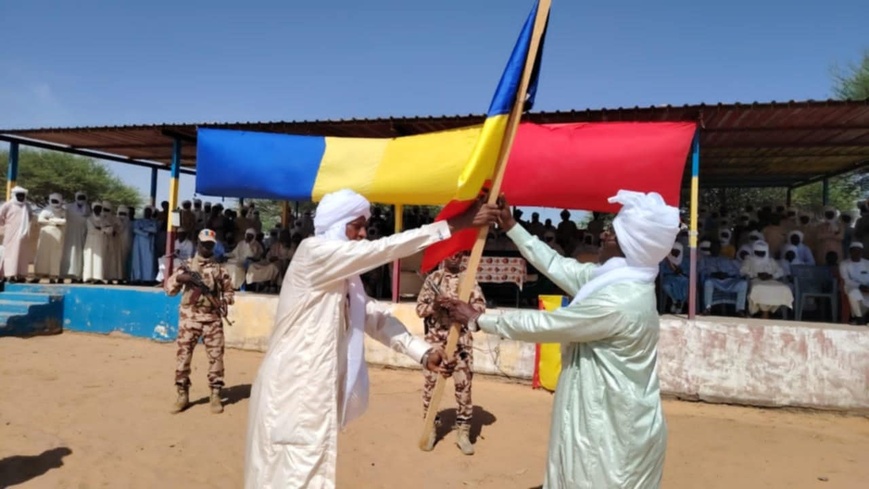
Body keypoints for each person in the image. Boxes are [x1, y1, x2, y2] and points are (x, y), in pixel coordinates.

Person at [244, 189, 499, 489]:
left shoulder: (344, 278)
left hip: (315, 390)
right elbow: (384, 249)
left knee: (310, 471)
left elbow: (373, 317)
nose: (364, 233)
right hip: (292, 389)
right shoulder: (314, 253)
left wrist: (423, 352)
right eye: (357, 225)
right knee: (288, 475)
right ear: (338, 224)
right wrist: (454, 225)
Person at [441, 190, 679, 489]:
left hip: (611, 425)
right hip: (600, 413)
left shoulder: (621, 300)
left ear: (629, 246)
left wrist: (478, 319)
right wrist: (512, 226)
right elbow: (557, 265)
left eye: (614, 233)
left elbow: (547, 324)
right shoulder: (614, 280)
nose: (604, 234)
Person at [415, 251, 486, 455]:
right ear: (444, 256)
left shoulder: (469, 279)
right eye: (452, 254)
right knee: (430, 385)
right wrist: (435, 306)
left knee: (464, 388)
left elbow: (481, 308)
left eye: (460, 254)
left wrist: (463, 307)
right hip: (436, 343)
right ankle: (430, 428)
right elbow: (419, 309)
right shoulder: (433, 279)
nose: (456, 257)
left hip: (461, 342)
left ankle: (463, 431)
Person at [165, 228, 234, 414]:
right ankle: (182, 394)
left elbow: (229, 292)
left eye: (210, 244)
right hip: (190, 318)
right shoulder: (186, 265)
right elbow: (169, 290)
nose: (207, 247)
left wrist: (223, 301)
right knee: (183, 357)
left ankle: (215, 394)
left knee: (216, 357)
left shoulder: (219, 269)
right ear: (198, 243)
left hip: (212, 319)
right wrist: (181, 278)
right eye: (204, 244)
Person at [740, 240, 794, 319]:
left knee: (784, 288)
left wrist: (772, 275)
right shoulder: (749, 260)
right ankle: (764, 312)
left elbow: (780, 271)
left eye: (762, 252)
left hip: (772, 280)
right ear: (754, 251)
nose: (760, 254)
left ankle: (769, 312)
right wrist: (757, 274)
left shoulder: (770, 261)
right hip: (756, 280)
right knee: (758, 288)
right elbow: (743, 271)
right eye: (758, 252)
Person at [699, 240, 748, 316]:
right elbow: (701, 272)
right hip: (714, 281)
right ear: (710, 249)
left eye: (717, 248)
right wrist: (714, 274)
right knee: (708, 282)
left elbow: (735, 272)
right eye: (713, 248)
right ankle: (707, 308)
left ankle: (740, 309)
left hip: (728, 280)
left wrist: (727, 275)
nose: (715, 250)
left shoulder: (725, 259)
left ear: (719, 249)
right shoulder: (705, 259)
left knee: (743, 284)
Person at [0, 186, 34, 282]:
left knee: (22, 254)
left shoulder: (27, 206)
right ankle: (9, 275)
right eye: (19, 195)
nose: (21, 197)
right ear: (14, 195)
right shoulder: (8, 205)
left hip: (23, 235)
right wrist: (6, 226)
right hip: (11, 233)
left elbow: (30, 216)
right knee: (10, 253)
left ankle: (21, 275)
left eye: (22, 195)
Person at [34, 193, 67, 283]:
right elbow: (40, 219)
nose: (55, 203)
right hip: (46, 235)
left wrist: (50, 220)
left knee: (55, 255)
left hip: (57, 235)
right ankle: (39, 275)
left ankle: (53, 276)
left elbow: (64, 221)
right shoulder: (46, 210)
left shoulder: (63, 211)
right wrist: (53, 222)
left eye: (56, 201)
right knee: (43, 254)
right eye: (53, 201)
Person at [61, 191, 90, 282]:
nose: (81, 199)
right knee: (68, 253)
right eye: (79, 197)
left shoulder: (88, 208)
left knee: (79, 255)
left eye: (83, 197)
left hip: (82, 233)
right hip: (70, 233)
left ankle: (77, 276)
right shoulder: (68, 207)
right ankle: (63, 275)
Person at [839, 242, 869, 325]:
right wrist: (859, 286)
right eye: (854, 251)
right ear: (850, 252)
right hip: (852, 287)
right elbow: (846, 280)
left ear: (862, 252)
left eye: (859, 251)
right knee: (854, 293)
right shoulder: (844, 264)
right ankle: (859, 318)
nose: (857, 253)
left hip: (867, 288)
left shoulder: (867, 263)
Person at [83, 201, 111, 283]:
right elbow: (92, 229)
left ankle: (98, 277)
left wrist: (102, 229)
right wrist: (104, 229)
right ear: (93, 209)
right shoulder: (89, 219)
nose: (98, 210)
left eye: (99, 208)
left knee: (99, 259)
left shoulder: (104, 219)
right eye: (96, 208)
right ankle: (88, 277)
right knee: (89, 258)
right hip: (91, 241)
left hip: (101, 241)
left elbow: (110, 229)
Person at [660, 241, 689, 314]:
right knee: (666, 286)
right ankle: (676, 301)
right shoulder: (666, 260)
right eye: (673, 251)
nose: (675, 253)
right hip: (669, 278)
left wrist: (682, 271)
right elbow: (662, 271)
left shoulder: (685, 260)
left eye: (677, 251)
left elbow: (688, 272)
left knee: (685, 284)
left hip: (681, 278)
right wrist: (672, 272)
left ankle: (679, 303)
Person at [131, 206, 158, 283]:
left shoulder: (153, 222)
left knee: (148, 261)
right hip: (139, 244)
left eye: (149, 212)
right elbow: (135, 229)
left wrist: (142, 229)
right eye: (146, 211)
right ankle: (137, 278)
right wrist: (146, 233)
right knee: (138, 260)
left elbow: (154, 230)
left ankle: (148, 279)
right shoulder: (139, 221)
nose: (147, 213)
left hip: (148, 244)